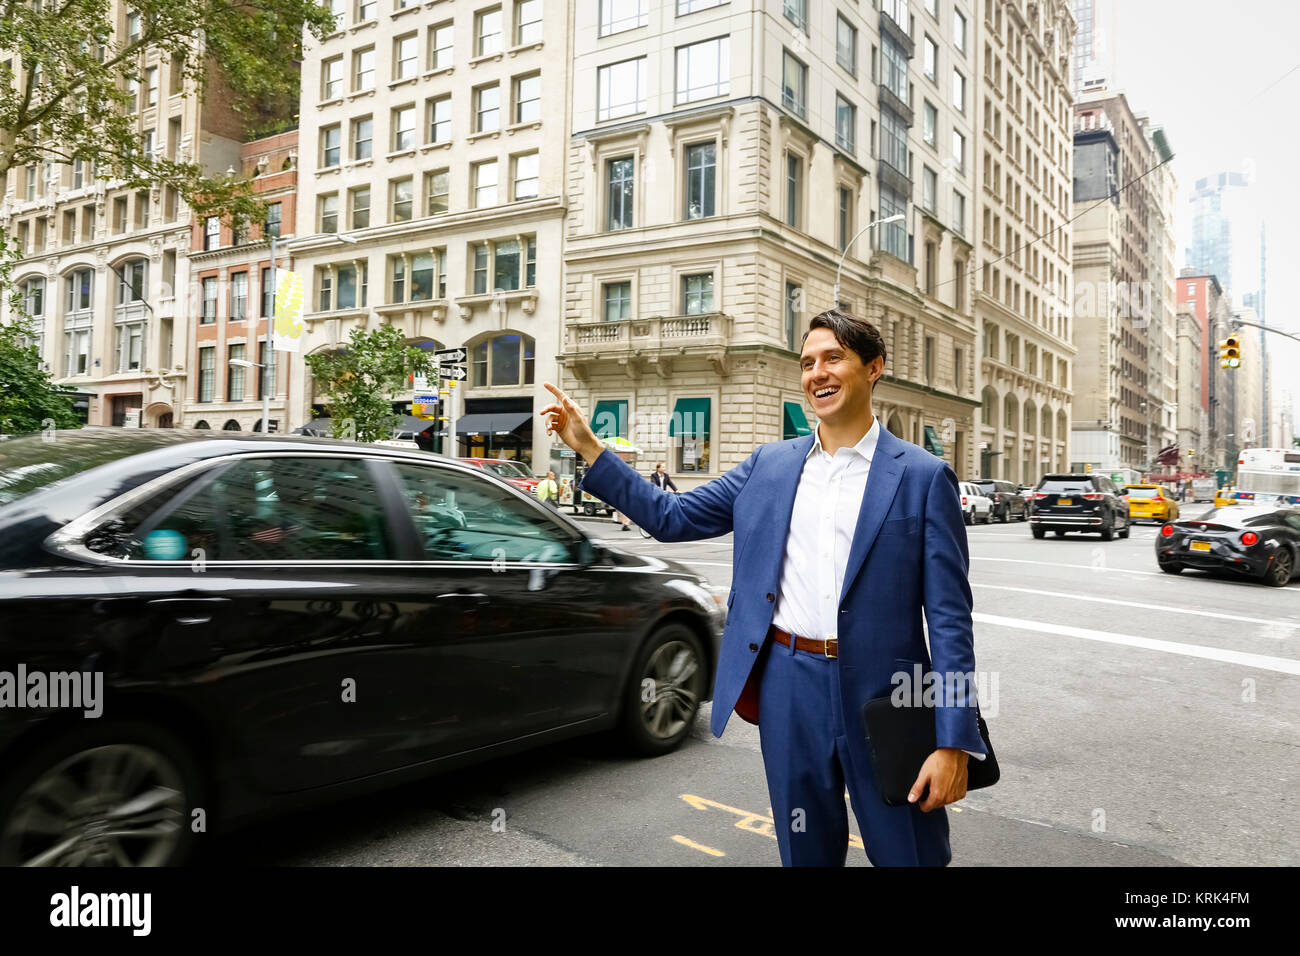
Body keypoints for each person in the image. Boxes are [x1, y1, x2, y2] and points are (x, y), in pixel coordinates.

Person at [540, 309, 986, 867]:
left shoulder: (921, 475)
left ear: (873, 368)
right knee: (805, 851)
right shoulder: (769, 466)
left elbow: (949, 620)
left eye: (833, 358)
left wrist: (952, 741)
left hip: (890, 697)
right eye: (807, 363)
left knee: (910, 854)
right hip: (788, 686)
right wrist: (590, 448)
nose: (817, 373)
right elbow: (671, 516)